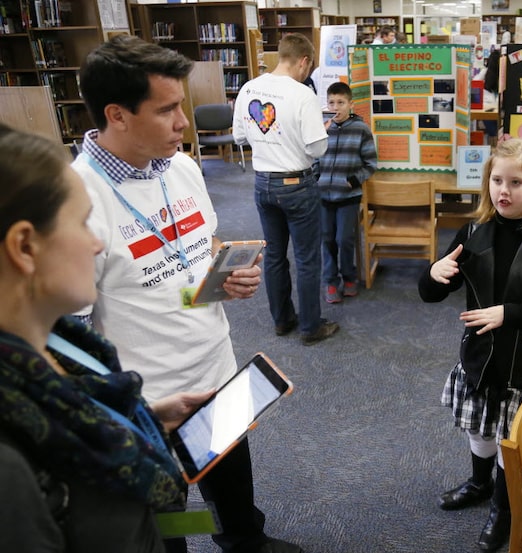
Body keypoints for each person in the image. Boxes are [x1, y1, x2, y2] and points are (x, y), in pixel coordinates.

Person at [70, 36, 302, 553]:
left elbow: (202, 245)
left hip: (216, 367)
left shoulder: (183, 167)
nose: (184, 123)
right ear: (118, 115)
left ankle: (245, 540)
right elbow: (71, 336)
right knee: (164, 521)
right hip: (150, 402)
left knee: (233, 487)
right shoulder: (76, 200)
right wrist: (122, 415)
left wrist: (222, 276)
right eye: (168, 109)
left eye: (184, 106)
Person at [0, 123, 215, 552]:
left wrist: (143, 420)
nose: (98, 244)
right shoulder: (9, 469)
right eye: (81, 223)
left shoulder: (58, 344)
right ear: (25, 246)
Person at [418, 138, 522, 552]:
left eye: (516, 182)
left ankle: (504, 508)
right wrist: (433, 272)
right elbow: (432, 294)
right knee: (479, 431)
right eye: (496, 180)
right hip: (480, 362)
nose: (503, 191)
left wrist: (508, 313)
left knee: (510, 444)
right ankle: (479, 482)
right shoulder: (473, 233)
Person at [233, 33, 339, 346]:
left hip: (262, 183)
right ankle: (310, 327)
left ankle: (282, 320)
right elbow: (317, 149)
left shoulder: (248, 88)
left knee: (275, 255)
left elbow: (239, 136)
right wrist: (323, 130)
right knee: (307, 258)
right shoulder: (302, 93)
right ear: (304, 61)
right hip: (296, 184)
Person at [315, 82, 377, 304]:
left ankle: (349, 277)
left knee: (344, 239)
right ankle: (330, 281)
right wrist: (315, 178)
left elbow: (371, 163)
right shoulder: (323, 128)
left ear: (351, 104)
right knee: (327, 238)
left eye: (341, 102)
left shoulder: (361, 129)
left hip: (349, 196)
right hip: (323, 195)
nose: (336, 107)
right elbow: (313, 157)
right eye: (331, 102)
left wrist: (353, 180)